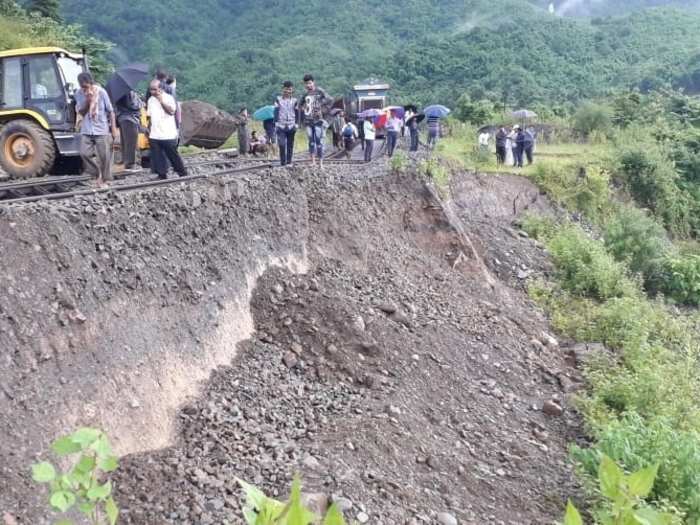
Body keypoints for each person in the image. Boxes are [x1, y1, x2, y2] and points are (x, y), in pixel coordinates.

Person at [74, 72, 118, 186]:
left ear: (91, 83)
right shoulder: (79, 94)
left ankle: (106, 178)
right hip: (87, 129)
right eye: (83, 87)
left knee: (104, 156)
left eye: (87, 86)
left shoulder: (101, 92)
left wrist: (113, 128)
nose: (85, 89)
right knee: (84, 153)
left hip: (101, 128)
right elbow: (81, 112)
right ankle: (96, 172)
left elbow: (110, 111)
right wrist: (88, 101)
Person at [147, 79, 187, 179]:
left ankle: (182, 173)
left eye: (154, 89)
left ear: (160, 88)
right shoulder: (150, 100)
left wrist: (161, 101)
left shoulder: (168, 98)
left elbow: (171, 112)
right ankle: (162, 174)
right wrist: (149, 129)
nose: (152, 92)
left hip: (168, 133)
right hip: (155, 133)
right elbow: (150, 116)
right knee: (157, 156)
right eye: (151, 89)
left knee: (173, 155)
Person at [300, 74, 331, 168]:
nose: (308, 85)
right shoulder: (305, 94)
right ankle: (313, 161)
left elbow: (330, 100)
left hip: (318, 120)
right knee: (311, 141)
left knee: (319, 141)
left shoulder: (319, 91)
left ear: (313, 82)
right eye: (306, 84)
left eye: (309, 83)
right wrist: (303, 108)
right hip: (308, 121)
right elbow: (300, 105)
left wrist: (321, 108)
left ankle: (321, 163)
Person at [115, 90, 142, 171]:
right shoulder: (126, 92)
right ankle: (130, 164)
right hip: (130, 118)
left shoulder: (119, 92)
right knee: (131, 143)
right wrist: (140, 103)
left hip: (123, 118)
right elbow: (132, 105)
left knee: (126, 142)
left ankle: (127, 162)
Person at [274, 80, 298, 167]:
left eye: (289, 89)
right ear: (283, 89)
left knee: (290, 144)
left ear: (292, 90)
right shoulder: (278, 99)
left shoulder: (295, 100)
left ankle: (289, 162)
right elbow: (276, 111)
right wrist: (276, 122)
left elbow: (297, 112)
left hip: (292, 124)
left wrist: (297, 123)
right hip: (281, 125)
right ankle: (283, 162)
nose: (287, 91)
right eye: (286, 89)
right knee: (281, 144)